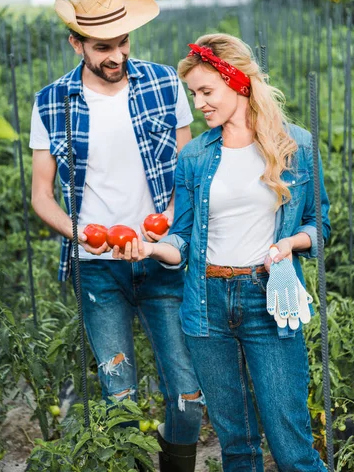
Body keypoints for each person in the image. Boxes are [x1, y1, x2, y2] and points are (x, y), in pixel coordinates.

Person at [113, 33, 331, 471]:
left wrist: (291, 242)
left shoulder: (296, 146)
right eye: (194, 94)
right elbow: (182, 239)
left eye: (207, 91)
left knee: (291, 446)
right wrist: (153, 249)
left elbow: (319, 226)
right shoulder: (193, 156)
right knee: (237, 446)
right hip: (206, 304)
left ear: (239, 83)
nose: (199, 104)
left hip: (266, 298)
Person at [29, 0, 203, 472]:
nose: (116, 56)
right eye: (102, 47)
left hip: (161, 259)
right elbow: (42, 195)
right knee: (120, 402)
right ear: (76, 43)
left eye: (123, 42)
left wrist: (170, 220)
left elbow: (188, 171)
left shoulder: (165, 82)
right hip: (98, 267)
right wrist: (79, 232)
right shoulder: (51, 102)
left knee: (189, 398)